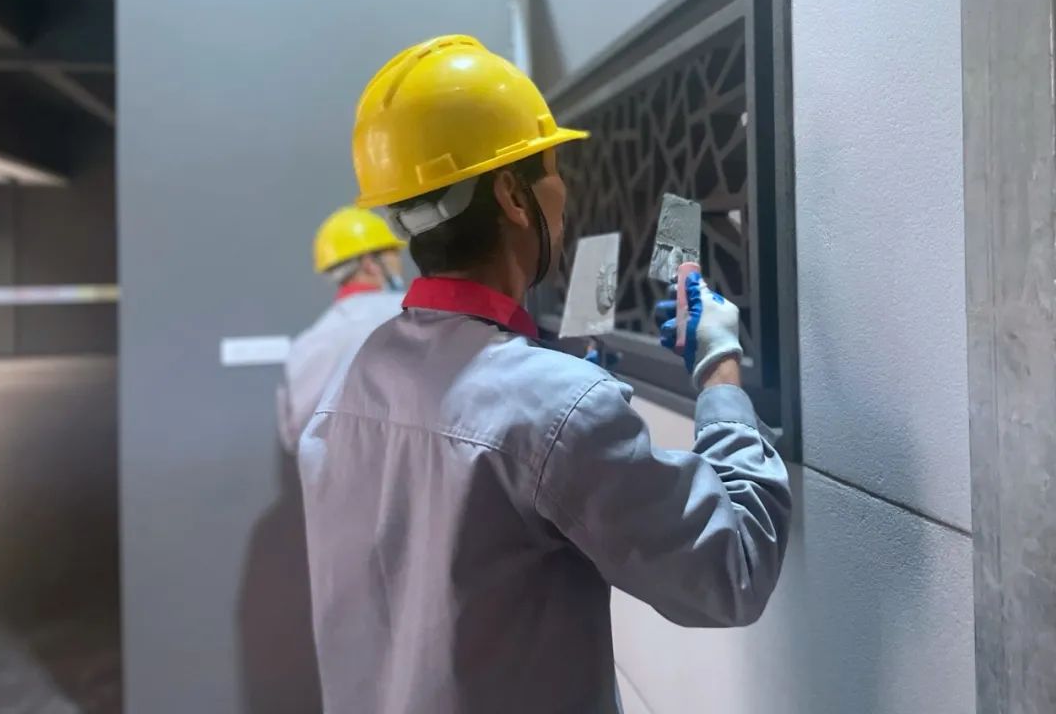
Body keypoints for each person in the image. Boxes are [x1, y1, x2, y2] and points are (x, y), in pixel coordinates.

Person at [298, 35, 792, 713]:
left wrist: (561, 405)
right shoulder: (556, 410)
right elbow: (730, 571)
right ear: (512, 194)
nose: (564, 194)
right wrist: (719, 371)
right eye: (553, 169)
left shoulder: (352, 380)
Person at [276, 206, 406, 454]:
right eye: (394, 255)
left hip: (328, 477)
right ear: (370, 263)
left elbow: (292, 436)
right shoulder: (411, 317)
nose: (400, 265)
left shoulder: (304, 345)